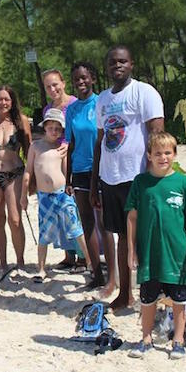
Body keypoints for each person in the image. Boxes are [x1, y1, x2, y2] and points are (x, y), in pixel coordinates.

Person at [90, 45, 164, 310]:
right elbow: (100, 141)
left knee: (145, 237)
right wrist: (94, 182)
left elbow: (157, 136)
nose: (117, 66)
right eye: (112, 62)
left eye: (122, 61)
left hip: (138, 178)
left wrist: (153, 178)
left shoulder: (144, 93)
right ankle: (125, 293)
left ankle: (151, 293)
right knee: (122, 236)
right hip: (110, 179)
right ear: (107, 67)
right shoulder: (103, 100)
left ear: (132, 64)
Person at [127, 132, 186, 360]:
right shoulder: (141, 182)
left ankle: (178, 341)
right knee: (147, 299)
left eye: (168, 152)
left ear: (175, 155)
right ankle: (146, 338)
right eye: (157, 153)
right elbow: (132, 218)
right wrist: (131, 249)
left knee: (179, 299)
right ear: (149, 155)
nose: (163, 157)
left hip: (176, 254)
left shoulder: (184, 183)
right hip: (149, 254)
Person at [20, 108, 90, 283]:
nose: (54, 131)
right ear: (44, 127)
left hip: (62, 195)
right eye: (51, 127)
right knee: (44, 234)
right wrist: (24, 194)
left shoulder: (62, 147)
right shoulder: (36, 147)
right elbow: (28, 171)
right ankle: (41, 268)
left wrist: (70, 187)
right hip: (44, 197)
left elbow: (67, 172)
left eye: (58, 128)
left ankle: (90, 262)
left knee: (76, 230)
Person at [64, 61, 105, 288]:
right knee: (87, 222)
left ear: (93, 79)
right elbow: (70, 144)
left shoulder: (101, 102)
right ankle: (96, 272)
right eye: (76, 79)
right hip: (80, 170)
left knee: (106, 223)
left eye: (84, 78)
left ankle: (115, 270)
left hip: (102, 170)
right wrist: (68, 178)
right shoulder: (71, 109)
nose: (81, 82)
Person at [0, 85, 32, 270]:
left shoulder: (21, 121)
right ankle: (3, 262)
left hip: (15, 173)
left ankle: (20, 261)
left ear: (12, 102)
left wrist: (31, 177)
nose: (3, 103)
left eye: (7, 99)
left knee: (15, 219)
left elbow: (29, 149)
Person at [42, 68, 81, 270]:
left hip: (75, 158)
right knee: (60, 211)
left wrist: (70, 144)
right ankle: (69, 255)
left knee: (74, 210)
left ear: (63, 83)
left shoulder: (75, 103)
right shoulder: (47, 109)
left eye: (55, 84)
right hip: (56, 162)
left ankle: (84, 256)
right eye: (48, 86)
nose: (52, 88)